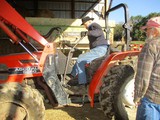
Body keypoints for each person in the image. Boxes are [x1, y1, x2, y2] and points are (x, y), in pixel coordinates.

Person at [68, 16, 108, 87]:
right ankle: (72, 76)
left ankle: (81, 83)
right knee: (81, 61)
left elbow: (97, 32)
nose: (84, 26)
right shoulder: (91, 28)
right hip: (97, 49)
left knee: (80, 59)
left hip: (99, 49)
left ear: (89, 21)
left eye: (84, 24)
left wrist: (87, 33)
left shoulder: (94, 25)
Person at [134, 16, 160, 120]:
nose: (146, 32)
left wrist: (138, 96)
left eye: (147, 29)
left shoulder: (151, 45)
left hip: (151, 101)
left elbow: (143, 76)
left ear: (155, 30)